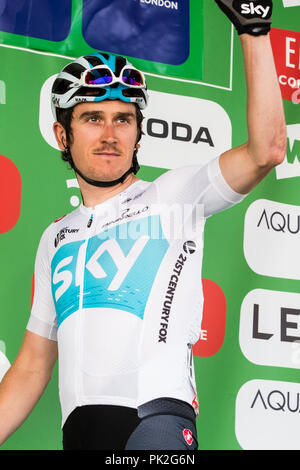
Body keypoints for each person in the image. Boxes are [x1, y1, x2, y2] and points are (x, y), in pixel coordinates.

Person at [0, 0, 286, 450]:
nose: (110, 133)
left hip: (154, 425)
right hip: (78, 435)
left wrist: (254, 30)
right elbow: (33, 366)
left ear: (138, 132)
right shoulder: (54, 238)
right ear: (62, 134)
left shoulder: (175, 196)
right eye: (92, 118)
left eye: (124, 119)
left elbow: (266, 150)